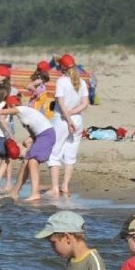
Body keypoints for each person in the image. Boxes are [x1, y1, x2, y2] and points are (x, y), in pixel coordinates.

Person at [0, 95, 56, 201]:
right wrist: (28, 140)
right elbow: (34, 132)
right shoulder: (22, 117)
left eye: (9, 107)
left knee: (32, 161)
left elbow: (13, 110)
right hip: (40, 136)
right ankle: (14, 192)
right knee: (25, 163)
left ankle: (35, 193)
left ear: (11, 106)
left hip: (47, 135)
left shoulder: (22, 109)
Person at [48, 54, 89, 195]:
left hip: (62, 120)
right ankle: (65, 186)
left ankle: (54, 188)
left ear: (62, 68)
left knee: (54, 153)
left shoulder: (62, 81)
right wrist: (72, 114)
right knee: (70, 156)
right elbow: (85, 104)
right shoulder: (82, 82)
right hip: (77, 120)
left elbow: (61, 104)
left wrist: (68, 119)